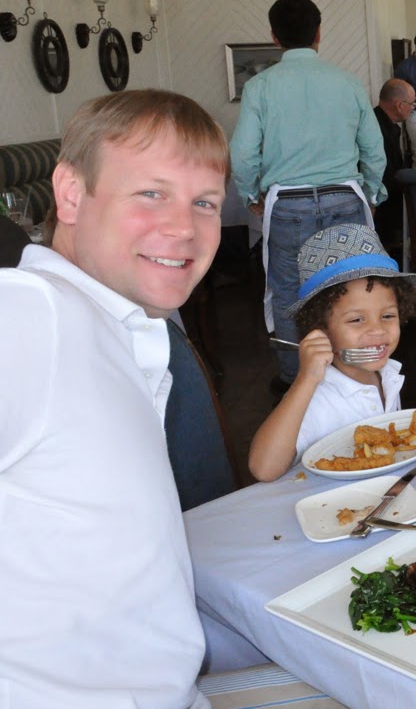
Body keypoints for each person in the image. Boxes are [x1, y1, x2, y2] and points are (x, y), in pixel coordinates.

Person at [0, 90, 227, 707]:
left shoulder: (120, 327)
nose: (184, 227)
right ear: (71, 194)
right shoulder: (30, 313)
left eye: (204, 202)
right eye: (151, 192)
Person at [229, 0, 386, 389]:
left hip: (287, 203)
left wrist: (250, 195)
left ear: (274, 36)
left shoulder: (260, 86)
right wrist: (372, 192)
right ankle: (353, 375)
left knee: (288, 295)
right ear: (319, 33)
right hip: (345, 197)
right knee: (351, 291)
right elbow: (374, 150)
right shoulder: (348, 83)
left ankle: (295, 381)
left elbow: (243, 153)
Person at [247, 224, 416, 482]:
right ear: (321, 329)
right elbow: (263, 469)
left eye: (387, 316)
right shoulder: (318, 396)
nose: (377, 330)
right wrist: (305, 380)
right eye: (356, 320)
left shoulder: (388, 374)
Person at [372, 78, 416, 245]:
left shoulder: (379, 122)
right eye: (412, 104)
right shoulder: (377, 129)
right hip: (382, 207)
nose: (413, 108)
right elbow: (386, 173)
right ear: (399, 105)